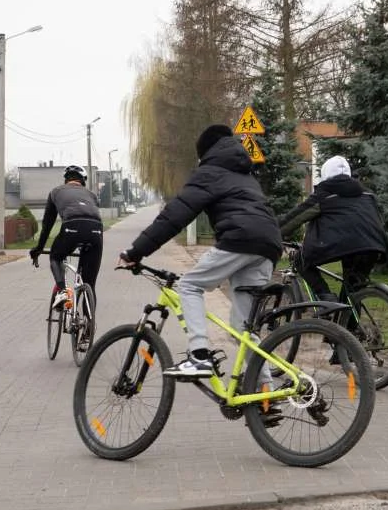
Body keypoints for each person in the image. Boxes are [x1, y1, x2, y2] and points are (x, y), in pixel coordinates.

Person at [118, 124, 283, 380]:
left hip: (239, 239)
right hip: (269, 244)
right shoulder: (246, 173)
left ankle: (199, 356)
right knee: (242, 329)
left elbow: (174, 217)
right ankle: (264, 396)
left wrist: (135, 252)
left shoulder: (209, 171)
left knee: (188, 286)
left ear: (205, 152)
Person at [277, 155, 388, 306]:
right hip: (373, 245)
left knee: (300, 260)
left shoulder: (324, 195)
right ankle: (349, 328)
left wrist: (275, 232)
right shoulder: (367, 195)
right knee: (353, 287)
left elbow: (294, 218)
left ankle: (326, 298)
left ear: (325, 175)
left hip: (340, 244)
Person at [29, 165, 104, 310]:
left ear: (66, 180)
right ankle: (88, 326)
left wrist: (39, 248)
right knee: (90, 284)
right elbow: (90, 215)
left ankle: (63, 291)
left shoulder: (55, 192)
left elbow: (47, 224)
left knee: (55, 257)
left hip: (71, 227)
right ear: (83, 181)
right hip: (96, 231)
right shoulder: (92, 195)